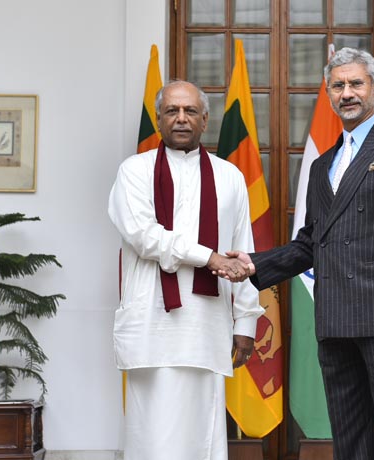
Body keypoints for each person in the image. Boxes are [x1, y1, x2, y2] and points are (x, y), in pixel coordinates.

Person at [222, 48, 374, 459]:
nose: (347, 93)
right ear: (329, 93)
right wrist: (254, 263)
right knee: (348, 433)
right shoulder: (323, 165)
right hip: (335, 316)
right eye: (338, 86)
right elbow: (311, 241)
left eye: (356, 83)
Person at [108, 80, 263, 460]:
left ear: (205, 119)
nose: (181, 119)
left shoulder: (229, 176)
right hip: (151, 323)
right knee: (152, 435)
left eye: (190, 111)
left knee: (202, 434)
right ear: (159, 119)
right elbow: (145, 237)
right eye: (172, 111)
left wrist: (245, 323)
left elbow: (243, 254)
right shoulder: (135, 171)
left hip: (206, 325)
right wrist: (209, 258)